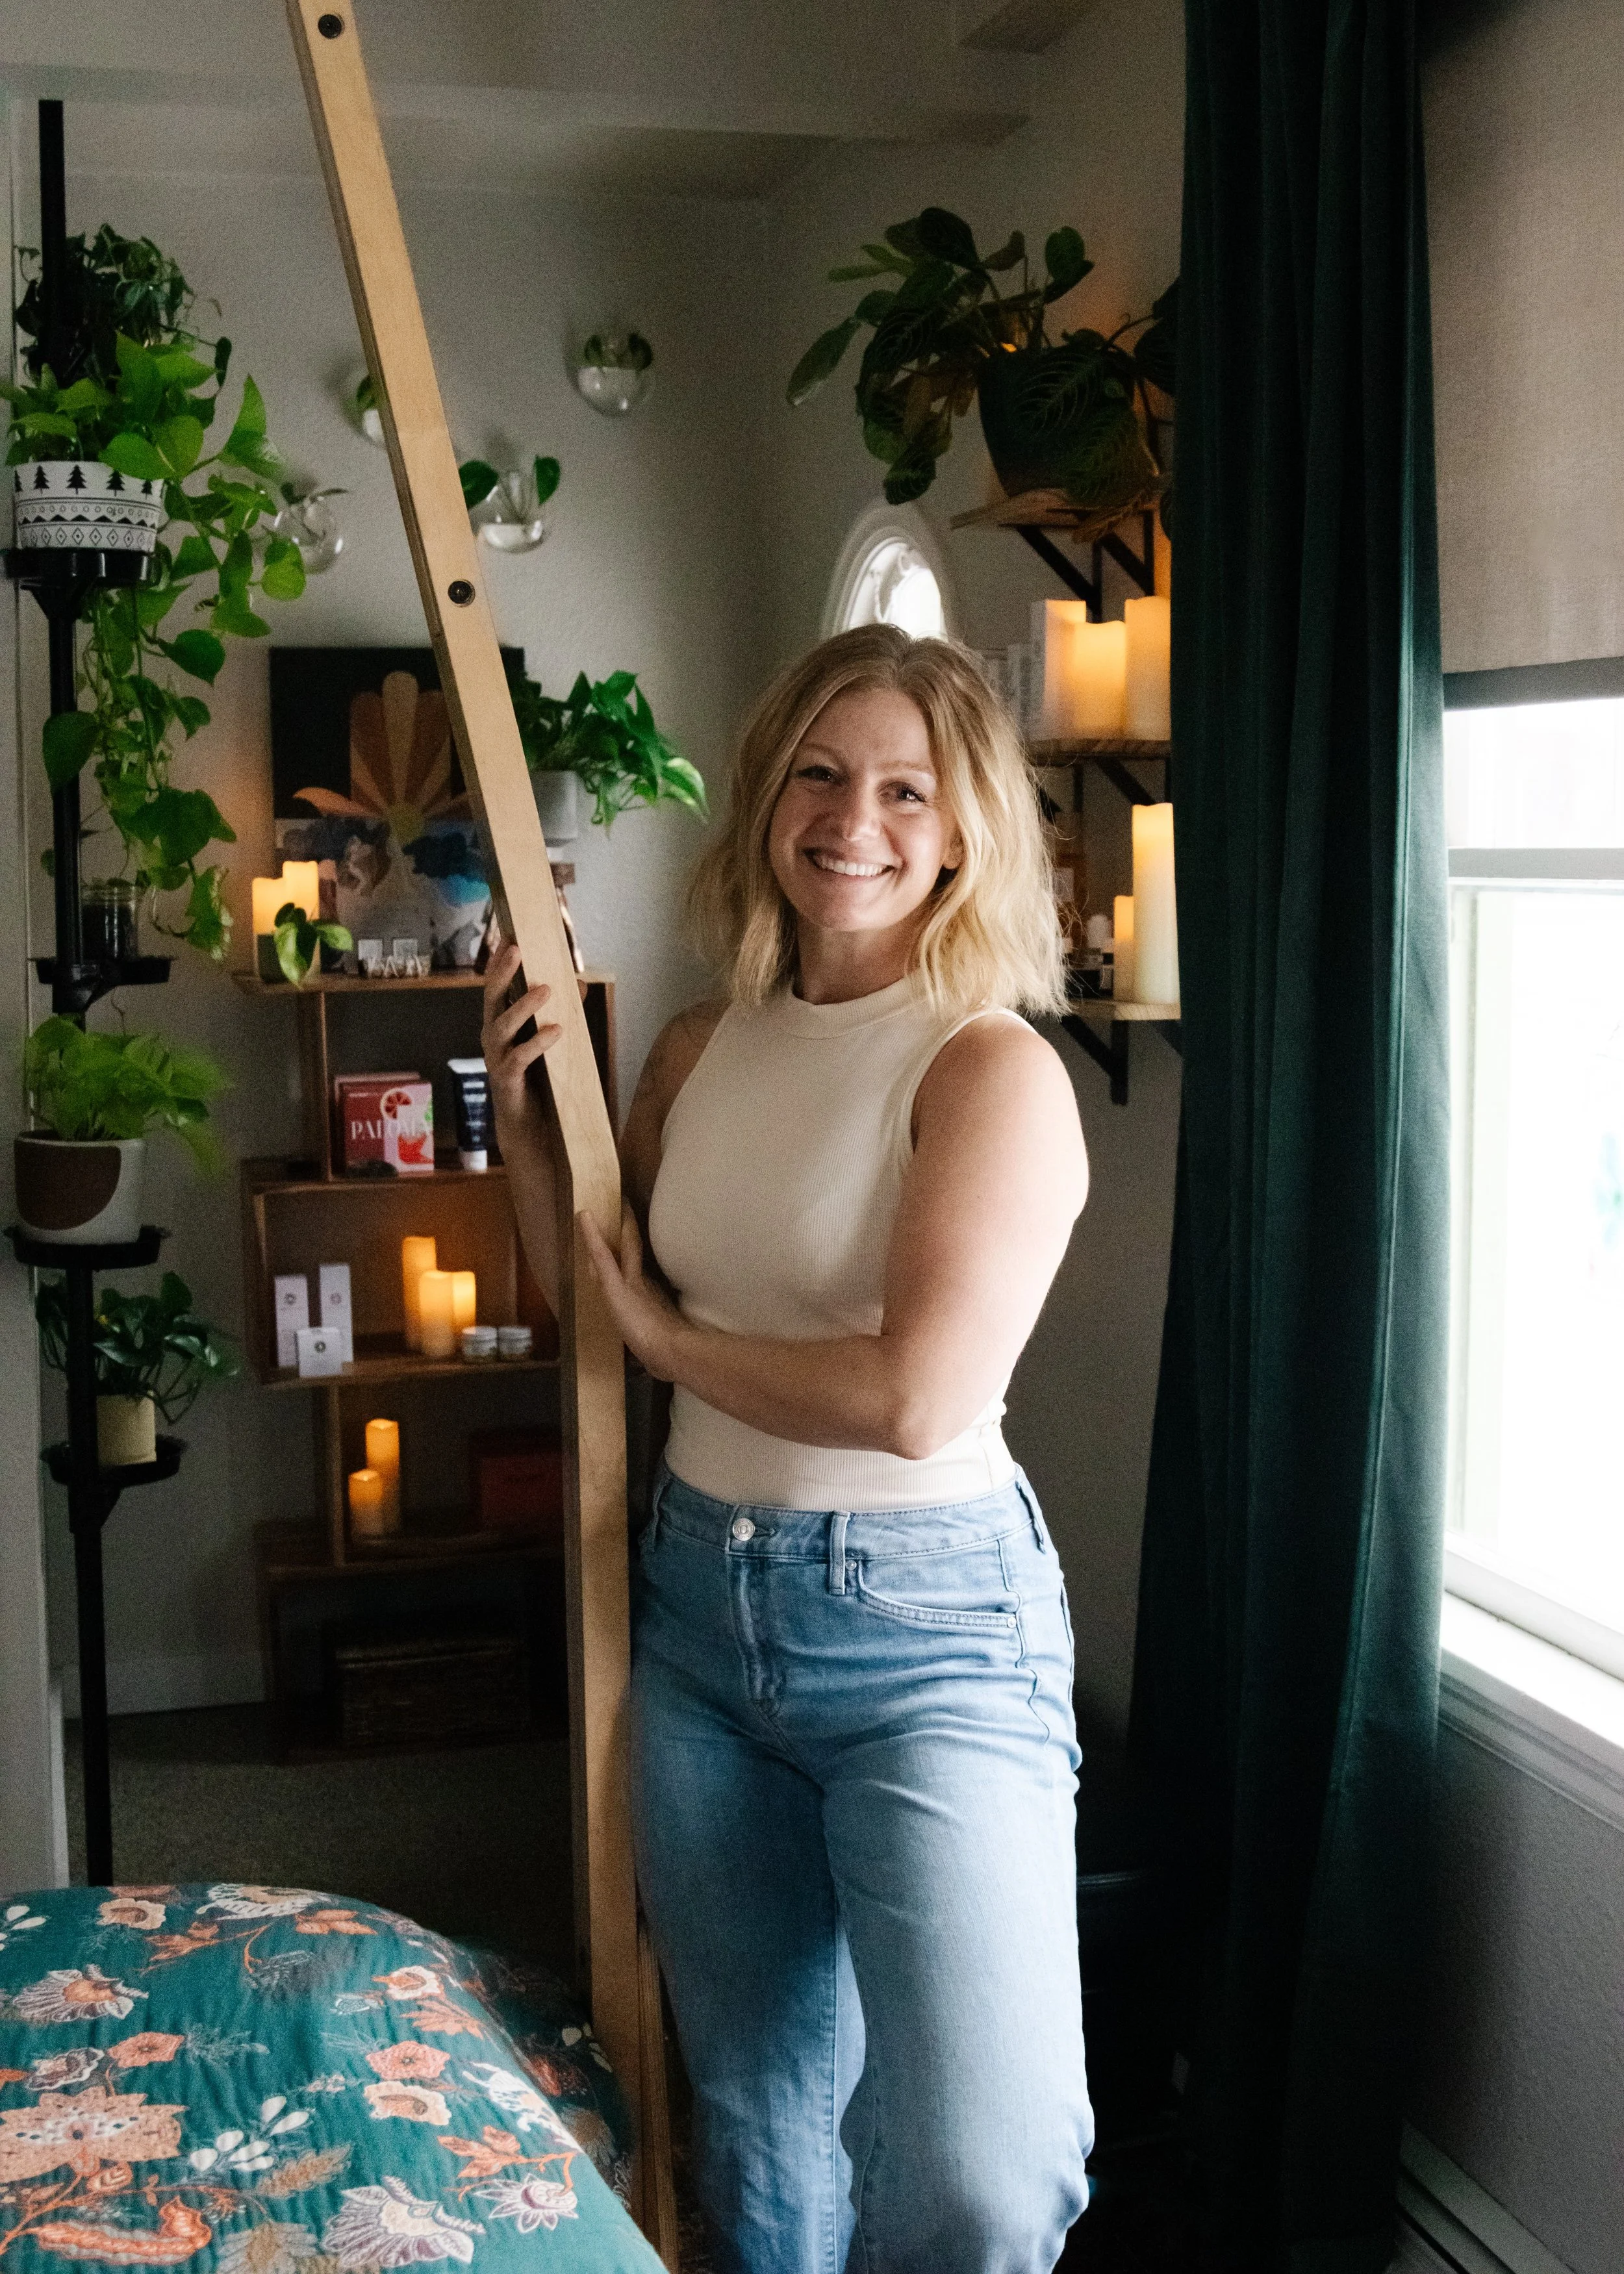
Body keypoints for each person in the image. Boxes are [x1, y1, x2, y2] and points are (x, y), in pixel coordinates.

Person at [483, 624, 1093, 2274]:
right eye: (820, 774)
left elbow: (911, 1392)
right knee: (755, 2139)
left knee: (982, 2169)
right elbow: (599, 1302)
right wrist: (522, 1115)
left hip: (927, 1640)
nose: (854, 819)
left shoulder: (990, 1069)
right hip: (698, 1623)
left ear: (963, 829)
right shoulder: (702, 1044)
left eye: (906, 787)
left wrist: (675, 1346)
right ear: (766, 797)